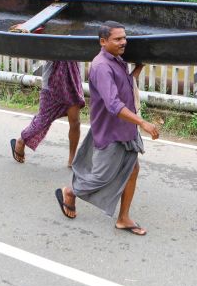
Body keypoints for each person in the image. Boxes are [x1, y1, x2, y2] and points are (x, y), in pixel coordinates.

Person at [55, 21, 158, 236]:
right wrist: (143, 123)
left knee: (133, 169)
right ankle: (70, 192)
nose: (123, 42)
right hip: (111, 130)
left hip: (125, 127)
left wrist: (137, 69)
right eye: (118, 39)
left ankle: (123, 217)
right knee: (101, 176)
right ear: (103, 42)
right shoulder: (101, 66)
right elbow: (113, 104)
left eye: (124, 38)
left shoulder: (117, 61)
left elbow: (124, 86)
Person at [10, 0, 85, 167]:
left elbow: (81, 16)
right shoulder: (45, 23)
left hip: (72, 78)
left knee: (75, 121)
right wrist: (51, 5)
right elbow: (22, 29)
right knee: (43, 120)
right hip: (53, 80)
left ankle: (72, 159)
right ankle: (21, 140)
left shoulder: (74, 25)